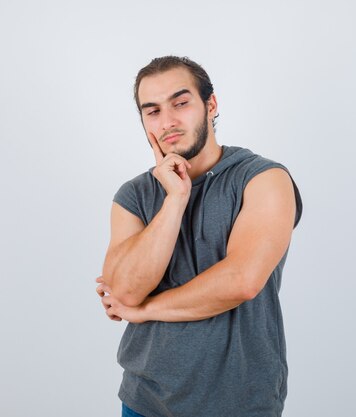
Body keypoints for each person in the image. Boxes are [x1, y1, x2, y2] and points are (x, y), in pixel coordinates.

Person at [96, 56, 302, 417]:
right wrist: (175, 199)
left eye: (180, 103)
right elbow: (125, 290)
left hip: (240, 403)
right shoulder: (134, 195)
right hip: (144, 401)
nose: (168, 121)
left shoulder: (263, 179)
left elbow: (242, 281)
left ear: (211, 104)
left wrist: (144, 310)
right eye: (153, 111)